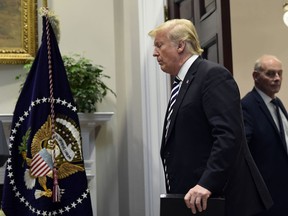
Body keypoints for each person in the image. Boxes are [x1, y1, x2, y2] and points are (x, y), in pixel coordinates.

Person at [148, 19, 273, 216]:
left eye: (159, 45)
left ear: (180, 45)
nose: (155, 53)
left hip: (219, 199)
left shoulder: (212, 75)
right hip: (196, 200)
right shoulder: (182, 83)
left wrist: (207, 183)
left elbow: (229, 135)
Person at [241, 55, 288, 215]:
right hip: (266, 197)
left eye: (279, 73)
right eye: (270, 74)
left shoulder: (278, 103)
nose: (277, 78)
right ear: (255, 76)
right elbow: (243, 153)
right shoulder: (247, 106)